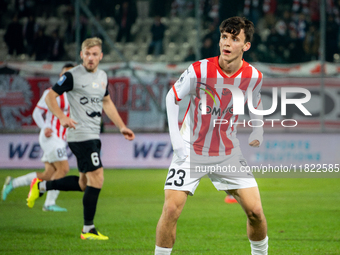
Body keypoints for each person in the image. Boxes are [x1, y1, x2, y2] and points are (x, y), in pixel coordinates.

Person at [155, 17, 268, 254]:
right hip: (191, 149)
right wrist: (176, 140)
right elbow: (171, 97)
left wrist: (258, 129)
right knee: (171, 209)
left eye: (234, 39)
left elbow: (256, 106)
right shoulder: (199, 69)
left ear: (246, 45)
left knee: (256, 213)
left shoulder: (253, 77)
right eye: (224, 37)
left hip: (228, 153)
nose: (226, 43)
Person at [26, 37, 135, 240]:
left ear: (101, 56)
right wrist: (61, 116)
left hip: (93, 134)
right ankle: (88, 229)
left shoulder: (102, 76)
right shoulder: (72, 75)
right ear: (81, 55)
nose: (91, 58)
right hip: (80, 134)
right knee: (98, 178)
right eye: (87, 54)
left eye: (95, 54)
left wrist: (121, 126)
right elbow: (50, 96)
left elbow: (107, 102)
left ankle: (41, 186)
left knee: (85, 183)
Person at [1, 63, 75, 212]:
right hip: (51, 136)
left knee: (48, 174)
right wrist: (44, 127)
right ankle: (49, 203)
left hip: (60, 138)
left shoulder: (74, 95)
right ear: (61, 76)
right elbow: (36, 112)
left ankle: (12, 183)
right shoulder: (51, 92)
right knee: (64, 169)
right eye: (66, 74)